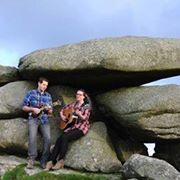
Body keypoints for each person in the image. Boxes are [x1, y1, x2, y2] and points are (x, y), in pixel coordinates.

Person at [44, 89, 91, 171]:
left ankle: (61, 161)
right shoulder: (73, 104)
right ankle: (50, 161)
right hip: (72, 127)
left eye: (80, 94)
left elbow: (85, 118)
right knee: (59, 139)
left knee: (64, 138)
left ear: (84, 96)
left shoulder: (86, 106)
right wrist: (62, 115)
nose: (78, 96)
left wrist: (80, 114)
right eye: (77, 94)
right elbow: (63, 110)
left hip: (81, 127)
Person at [22, 77, 53, 169]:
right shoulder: (31, 93)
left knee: (48, 139)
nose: (45, 87)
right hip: (33, 119)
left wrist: (49, 109)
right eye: (43, 84)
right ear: (39, 84)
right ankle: (31, 159)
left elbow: (51, 111)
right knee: (32, 137)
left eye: (46, 85)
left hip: (44, 119)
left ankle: (43, 160)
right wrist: (32, 109)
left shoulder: (48, 96)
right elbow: (23, 107)